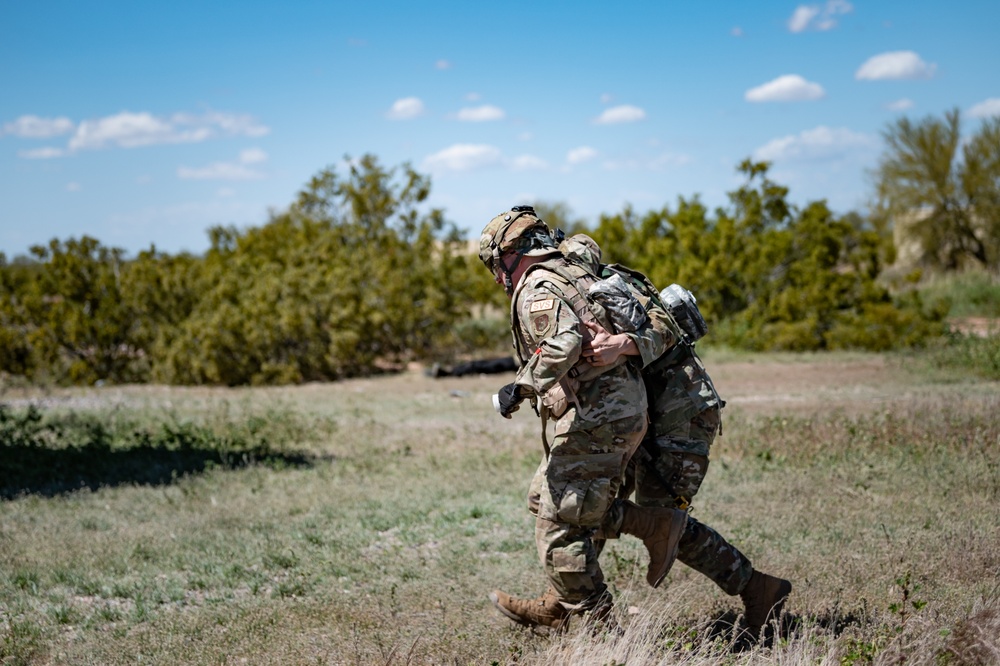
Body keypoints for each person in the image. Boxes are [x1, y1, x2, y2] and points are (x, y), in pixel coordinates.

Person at [561, 233, 792, 640]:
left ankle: (759, 589)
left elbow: (666, 329)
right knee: (595, 498)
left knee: (662, 520)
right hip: (642, 420)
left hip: (681, 415)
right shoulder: (581, 300)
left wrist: (622, 344)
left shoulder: (617, 286)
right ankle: (562, 599)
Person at [479, 206, 688, 630]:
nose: (498, 278)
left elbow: (563, 343)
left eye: (494, 266)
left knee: (557, 530)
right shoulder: (575, 272)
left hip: (599, 417)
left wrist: (518, 388)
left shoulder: (538, 283)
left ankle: (601, 631)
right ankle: (572, 594)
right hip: (616, 412)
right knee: (545, 499)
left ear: (509, 255)